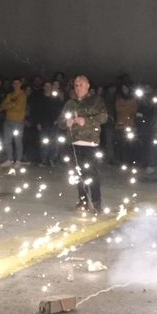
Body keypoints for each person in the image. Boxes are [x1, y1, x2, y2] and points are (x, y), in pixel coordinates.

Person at [62, 74, 108, 212]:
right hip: (74, 142)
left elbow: (104, 117)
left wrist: (86, 121)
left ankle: (96, 202)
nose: (78, 88)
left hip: (90, 142)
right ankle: (83, 201)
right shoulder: (70, 103)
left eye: (81, 85)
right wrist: (66, 123)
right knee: (78, 173)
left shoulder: (96, 101)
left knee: (91, 173)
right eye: (76, 85)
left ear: (88, 86)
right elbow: (60, 121)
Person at [1, 77, 28, 165]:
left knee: (18, 141)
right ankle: (10, 159)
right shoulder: (9, 95)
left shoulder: (22, 95)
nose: (16, 85)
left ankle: (18, 160)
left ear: (20, 84)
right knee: (7, 141)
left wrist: (10, 105)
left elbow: (19, 108)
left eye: (18, 83)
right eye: (14, 83)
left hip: (18, 121)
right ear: (12, 85)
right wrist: (12, 105)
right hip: (8, 121)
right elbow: (3, 106)